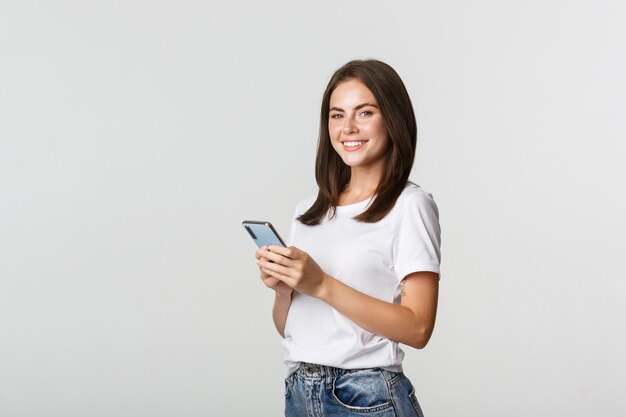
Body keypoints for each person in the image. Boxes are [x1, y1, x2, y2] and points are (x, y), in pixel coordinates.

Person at [254, 59, 441, 417]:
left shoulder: (409, 205)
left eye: (365, 112)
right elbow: (292, 330)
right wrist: (284, 291)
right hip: (299, 390)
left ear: (393, 119)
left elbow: (418, 327)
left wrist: (321, 284)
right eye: (337, 115)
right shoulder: (308, 210)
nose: (348, 128)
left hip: (365, 396)